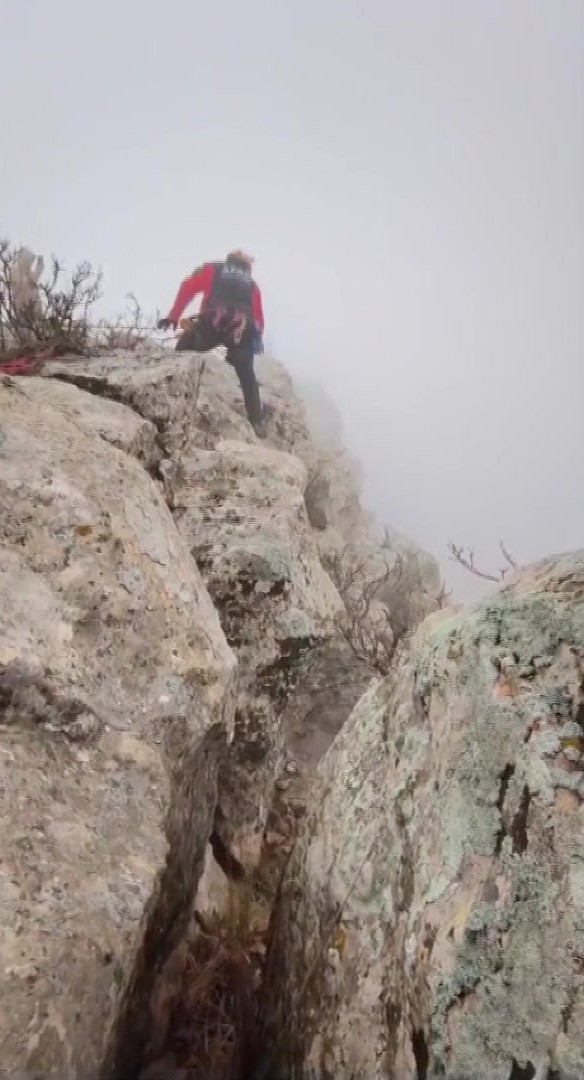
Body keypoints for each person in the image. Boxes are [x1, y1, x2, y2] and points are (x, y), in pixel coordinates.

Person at [158, 250, 266, 434]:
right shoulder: (252, 285)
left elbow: (187, 287)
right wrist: (251, 345)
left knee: (184, 350)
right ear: (247, 267)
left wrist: (173, 316)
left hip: (212, 321)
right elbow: (258, 321)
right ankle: (256, 421)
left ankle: (169, 393)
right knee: (247, 375)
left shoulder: (212, 269)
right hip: (242, 328)